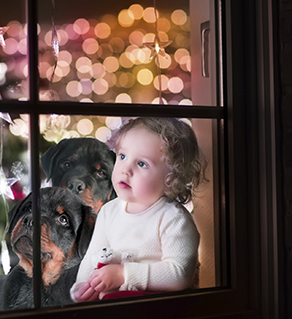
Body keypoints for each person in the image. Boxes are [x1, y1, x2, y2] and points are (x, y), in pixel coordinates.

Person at [71, 117, 205, 302]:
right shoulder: (109, 212)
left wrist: (124, 274)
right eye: (123, 156)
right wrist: (83, 285)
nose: (126, 169)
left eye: (142, 163)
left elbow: (180, 273)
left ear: (171, 179)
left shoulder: (173, 219)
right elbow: (92, 257)